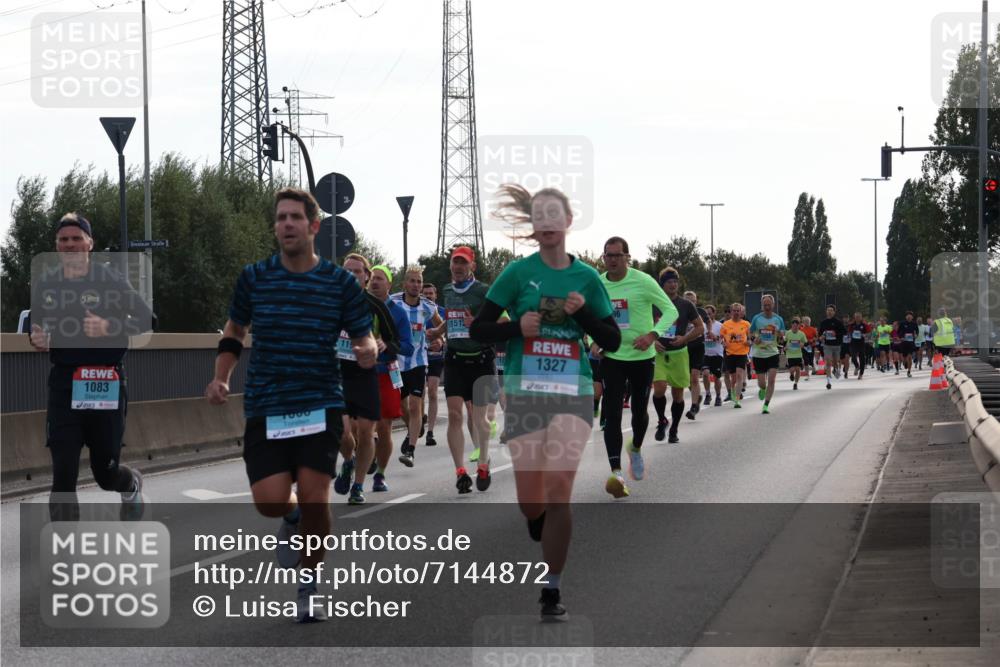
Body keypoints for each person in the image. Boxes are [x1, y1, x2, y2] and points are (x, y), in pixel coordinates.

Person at [206, 188, 377, 622]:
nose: (286, 224)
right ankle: (292, 514)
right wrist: (221, 376)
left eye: (295, 217)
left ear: (313, 226)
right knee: (268, 501)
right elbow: (234, 330)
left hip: (320, 401)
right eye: (280, 218)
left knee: (319, 496)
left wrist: (368, 350)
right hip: (267, 403)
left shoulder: (339, 283)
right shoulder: (255, 277)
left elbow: (363, 335)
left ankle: (309, 584)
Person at [469, 184, 620, 621]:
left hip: (573, 392)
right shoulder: (517, 273)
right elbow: (479, 329)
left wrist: (583, 315)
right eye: (541, 215)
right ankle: (538, 521)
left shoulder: (587, 278)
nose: (548, 221)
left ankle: (551, 589)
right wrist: (517, 327)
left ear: (568, 221)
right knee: (530, 498)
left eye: (556, 214)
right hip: (525, 392)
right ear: (534, 226)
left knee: (559, 490)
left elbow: (611, 340)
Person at [29, 213, 152, 522]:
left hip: (105, 384)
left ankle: (130, 484)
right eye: (63, 240)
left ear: (89, 243)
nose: (70, 245)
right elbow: (36, 325)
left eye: (76, 238)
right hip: (64, 385)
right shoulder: (46, 284)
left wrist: (108, 326)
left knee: (105, 473)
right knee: (63, 476)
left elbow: (146, 320)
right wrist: (37, 336)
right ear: (56, 246)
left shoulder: (110, 280)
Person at [597, 236, 677, 495]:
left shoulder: (643, 281)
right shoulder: (598, 283)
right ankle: (617, 474)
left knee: (640, 412)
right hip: (612, 357)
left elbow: (670, 311)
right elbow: (587, 316)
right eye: (607, 255)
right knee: (612, 414)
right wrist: (592, 341)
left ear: (626, 257)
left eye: (616, 255)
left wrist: (653, 335)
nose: (611, 260)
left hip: (642, 358)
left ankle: (636, 448)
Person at [426, 247, 496, 493]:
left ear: (472, 267)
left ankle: (484, 462)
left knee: (479, 418)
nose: (458, 267)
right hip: (455, 359)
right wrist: (439, 331)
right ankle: (460, 472)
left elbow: (503, 321)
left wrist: (477, 324)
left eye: (463, 263)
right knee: (455, 416)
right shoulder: (446, 290)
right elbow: (453, 317)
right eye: (455, 263)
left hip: (481, 360)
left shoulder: (484, 291)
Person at [333, 254, 397, 505]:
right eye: (346, 271)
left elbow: (396, 343)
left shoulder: (376, 306)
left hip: (365, 376)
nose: (351, 276)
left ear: (366, 276)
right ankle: (348, 462)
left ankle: (358, 486)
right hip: (337, 375)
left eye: (356, 272)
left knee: (367, 432)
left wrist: (384, 344)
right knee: (342, 432)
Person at [391, 266, 444, 467]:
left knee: (414, 404)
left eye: (419, 281)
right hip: (396, 363)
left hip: (418, 362)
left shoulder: (428, 306)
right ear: (405, 283)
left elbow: (440, 326)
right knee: (402, 407)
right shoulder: (393, 302)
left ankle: (411, 451)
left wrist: (441, 339)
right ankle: (415, 427)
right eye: (412, 281)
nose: (416, 285)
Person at [367, 265, 414, 492]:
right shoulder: (357, 306)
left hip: (386, 371)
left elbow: (408, 347)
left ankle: (380, 474)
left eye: (379, 279)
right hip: (359, 373)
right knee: (357, 427)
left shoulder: (398, 312)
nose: (374, 282)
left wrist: (387, 345)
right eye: (372, 278)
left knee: (384, 426)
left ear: (389, 284)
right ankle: (366, 446)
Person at [652, 268, 704, 444]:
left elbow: (699, 328)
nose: (673, 285)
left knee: (677, 394)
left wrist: (685, 338)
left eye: (675, 281)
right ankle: (662, 420)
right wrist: (652, 341)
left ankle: (673, 428)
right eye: (669, 282)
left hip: (679, 354)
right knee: (659, 388)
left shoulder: (685, 305)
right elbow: (641, 324)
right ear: (662, 285)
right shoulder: (653, 303)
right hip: (659, 353)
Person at [748, 295, 785, 413]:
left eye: (769, 305)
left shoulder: (778, 319)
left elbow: (783, 336)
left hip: (773, 352)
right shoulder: (756, 318)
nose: (767, 307)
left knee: (772, 380)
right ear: (762, 306)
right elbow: (749, 333)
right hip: (759, 354)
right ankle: (762, 389)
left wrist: (780, 335)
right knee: (762, 383)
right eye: (765, 305)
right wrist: (754, 339)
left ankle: (766, 405)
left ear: (773, 305)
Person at [421, 282, 446, 446]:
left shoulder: (442, 312)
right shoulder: (417, 310)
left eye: (431, 293)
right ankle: (420, 418)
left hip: (436, 358)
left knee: (432, 392)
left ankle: (430, 432)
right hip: (419, 357)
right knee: (419, 395)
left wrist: (442, 342)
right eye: (426, 294)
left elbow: (451, 334)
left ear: (436, 295)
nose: (429, 296)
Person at [682, 290, 711, 420]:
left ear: (696, 301)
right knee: (686, 379)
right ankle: (697, 395)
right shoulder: (679, 310)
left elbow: (708, 321)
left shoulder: (701, 312)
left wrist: (709, 331)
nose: (690, 303)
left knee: (694, 377)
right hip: (684, 347)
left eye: (692, 301)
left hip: (698, 346)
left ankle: (694, 407)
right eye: (687, 300)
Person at [720, 304, 750, 409]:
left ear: (741, 312)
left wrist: (749, 342)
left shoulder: (746, 324)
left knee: (739, 376)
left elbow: (750, 338)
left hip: (742, 353)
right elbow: (721, 338)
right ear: (731, 312)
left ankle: (737, 399)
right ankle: (732, 391)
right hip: (730, 353)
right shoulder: (725, 324)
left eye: (738, 311)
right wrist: (722, 342)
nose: (736, 312)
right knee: (733, 378)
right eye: (734, 311)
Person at [816, 305, 846, 390]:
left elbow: (844, 332)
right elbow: (820, 334)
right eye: (828, 310)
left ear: (834, 312)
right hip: (827, 345)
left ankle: (835, 369)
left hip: (836, 345)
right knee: (828, 362)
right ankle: (828, 382)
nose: (829, 312)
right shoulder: (823, 322)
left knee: (835, 362)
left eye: (831, 310)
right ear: (826, 312)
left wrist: (836, 333)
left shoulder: (838, 322)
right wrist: (821, 337)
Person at [701, 305, 724, 407]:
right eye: (706, 314)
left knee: (716, 377)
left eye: (710, 313)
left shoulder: (719, 326)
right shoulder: (701, 325)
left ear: (714, 313)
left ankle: (718, 396)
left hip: (717, 354)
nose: (708, 316)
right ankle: (708, 394)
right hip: (705, 354)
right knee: (705, 374)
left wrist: (715, 337)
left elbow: (723, 340)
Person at [784, 318, 808, 390]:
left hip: (798, 354)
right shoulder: (788, 333)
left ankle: (796, 383)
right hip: (790, 354)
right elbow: (784, 342)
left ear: (798, 326)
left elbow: (806, 343)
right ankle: (791, 374)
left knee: (798, 369)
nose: (794, 327)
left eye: (796, 325)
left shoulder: (801, 334)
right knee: (792, 369)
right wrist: (784, 348)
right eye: (793, 325)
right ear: (791, 326)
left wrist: (802, 344)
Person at [847, 312, 870, 381]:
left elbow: (869, 333)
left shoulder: (864, 325)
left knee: (862, 358)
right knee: (853, 357)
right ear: (854, 317)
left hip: (861, 343)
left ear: (861, 317)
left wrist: (865, 335)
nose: (857, 318)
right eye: (856, 317)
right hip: (853, 343)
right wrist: (849, 336)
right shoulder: (852, 325)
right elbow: (849, 332)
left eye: (859, 317)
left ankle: (861, 374)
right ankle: (857, 366)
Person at [897, 311, 919, 377]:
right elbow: (898, 332)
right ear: (906, 317)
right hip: (904, 343)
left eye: (910, 315)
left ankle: (909, 371)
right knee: (904, 358)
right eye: (908, 315)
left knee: (909, 357)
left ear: (912, 317)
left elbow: (917, 332)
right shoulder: (902, 323)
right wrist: (901, 337)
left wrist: (916, 335)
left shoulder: (914, 324)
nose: (909, 316)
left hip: (911, 343)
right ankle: (905, 363)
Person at [800, 316, 817, 380]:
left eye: (808, 321)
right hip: (804, 346)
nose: (807, 323)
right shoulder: (801, 330)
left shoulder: (813, 329)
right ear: (803, 322)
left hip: (811, 346)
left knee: (811, 359)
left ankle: (813, 369)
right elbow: (799, 338)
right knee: (805, 360)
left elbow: (816, 337)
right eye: (806, 321)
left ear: (810, 322)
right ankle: (807, 375)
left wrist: (812, 340)